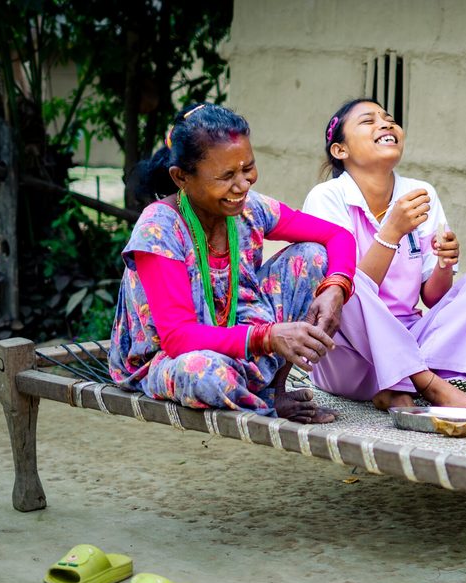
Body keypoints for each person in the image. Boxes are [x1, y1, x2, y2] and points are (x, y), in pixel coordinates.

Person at [108, 103, 357, 423]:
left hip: (243, 338)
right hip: (172, 357)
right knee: (204, 374)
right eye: (226, 176)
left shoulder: (250, 208)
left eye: (248, 168)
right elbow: (178, 337)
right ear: (181, 177)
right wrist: (269, 337)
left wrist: (336, 288)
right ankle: (264, 405)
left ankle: (273, 391)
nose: (242, 185)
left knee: (312, 256)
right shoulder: (159, 228)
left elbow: (338, 237)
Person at [301, 99, 466, 410]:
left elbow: (434, 298)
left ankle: (401, 382)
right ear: (341, 151)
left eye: (388, 118)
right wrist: (391, 232)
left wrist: (444, 264)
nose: (385, 124)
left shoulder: (420, 193)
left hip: (414, 341)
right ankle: (428, 385)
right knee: (343, 283)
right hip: (348, 359)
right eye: (368, 121)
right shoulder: (326, 198)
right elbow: (346, 292)